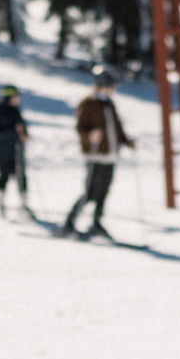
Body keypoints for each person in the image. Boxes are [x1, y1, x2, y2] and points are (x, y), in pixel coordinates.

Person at [60, 66, 131, 238]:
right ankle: (69, 223)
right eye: (111, 85)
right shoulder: (88, 102)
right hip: (95, 153)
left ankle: (96, 222)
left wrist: (127, 141)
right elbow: (80, 127)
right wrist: (90, 135)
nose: (113, 89)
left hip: (110, 153)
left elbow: (116, 126)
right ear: (102, 84)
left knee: (104, 190)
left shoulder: (109, 103)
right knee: (90, 190)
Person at [0, 85, 29, 216]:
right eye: (15, 97)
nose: (18, 99)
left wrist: (24, 135)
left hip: (17, 152)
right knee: (4, 176)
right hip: (4, 152)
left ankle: (24, 204)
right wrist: (14, 133)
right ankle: (1, 202)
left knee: (21, 178)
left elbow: (23, 129)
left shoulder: (16, 112)